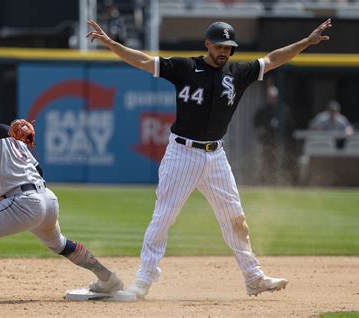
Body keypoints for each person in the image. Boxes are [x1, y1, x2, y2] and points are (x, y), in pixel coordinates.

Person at [87, 18, 332, 299]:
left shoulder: (238, 73)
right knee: (164, 218)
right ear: (207, 43)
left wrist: (306, 42)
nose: (223, 51)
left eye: (228, 47)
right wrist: (111, 44)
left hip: (215, 156)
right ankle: (142, 283)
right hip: (182, 153)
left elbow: (274, 59)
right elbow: (143, 60)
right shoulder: (185, 67)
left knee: (235, 218)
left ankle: (253, 278)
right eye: (218, 45)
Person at [0, 99, 124, 304]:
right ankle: (108, 278)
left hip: (24, 203)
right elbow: (38, 170)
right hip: (47, 199)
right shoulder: (14, 140)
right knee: (60, 243)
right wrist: (12, 138)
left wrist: (9, 133)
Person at [253, 85, 293, 185]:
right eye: (269, 97)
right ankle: (265, 182)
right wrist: (261, 129)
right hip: (265, 141)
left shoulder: (283, 109)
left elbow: (290, 125)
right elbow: (255, 122)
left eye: (273, 97)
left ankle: (277, 182)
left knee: (278, 162)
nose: (271, 99)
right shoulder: (262, 110)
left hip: (279, 141)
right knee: (266, 162)